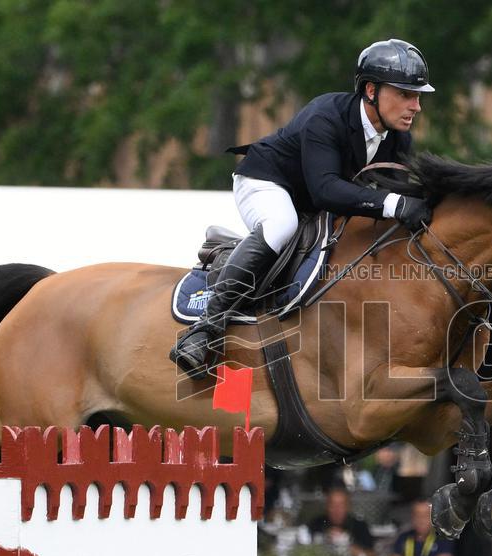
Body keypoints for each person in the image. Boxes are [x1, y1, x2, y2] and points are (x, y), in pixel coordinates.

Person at [171, 38, 435, 375]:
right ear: (371, 90)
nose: (416, 106)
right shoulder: (325, 116)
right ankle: (206, 328)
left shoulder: (398, 138)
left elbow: (400, 192)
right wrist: (395, 203)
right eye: (405, 94)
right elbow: (327, 190)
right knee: (283, 226)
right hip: (266, 182)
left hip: (310, 200)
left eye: (418, 96)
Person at [390, 500, 454, 556]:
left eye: (425, 515)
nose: (421, 520)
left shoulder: (443, 538)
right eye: (417, 515)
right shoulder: (404, 537)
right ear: (412, 517)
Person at [306, 486, 375, 556]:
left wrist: (350, 548)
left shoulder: (360, 526)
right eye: (333, 505)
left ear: (348, 507)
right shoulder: (317, 523)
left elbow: (373, 555)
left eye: (341, 505)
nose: (337, 510)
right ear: (327, 507)